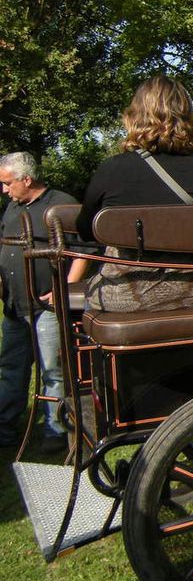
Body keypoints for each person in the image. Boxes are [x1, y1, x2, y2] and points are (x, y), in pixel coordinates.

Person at [76, 75, 193, 311]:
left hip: (123, 296)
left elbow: (86, 231)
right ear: (189, 119)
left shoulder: (111, 170)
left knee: (91, 298)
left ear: (133, 117)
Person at [0, 152, 89, 452]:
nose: (4, 190)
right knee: (12, 367)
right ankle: (6, 428)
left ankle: (55, 429)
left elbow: (81, 251)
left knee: (53, 369)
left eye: (8, 183)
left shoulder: (61, 204)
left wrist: (63, 288)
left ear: (27, 179)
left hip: (47, 306)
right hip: (15, 305)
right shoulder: (13, 208)